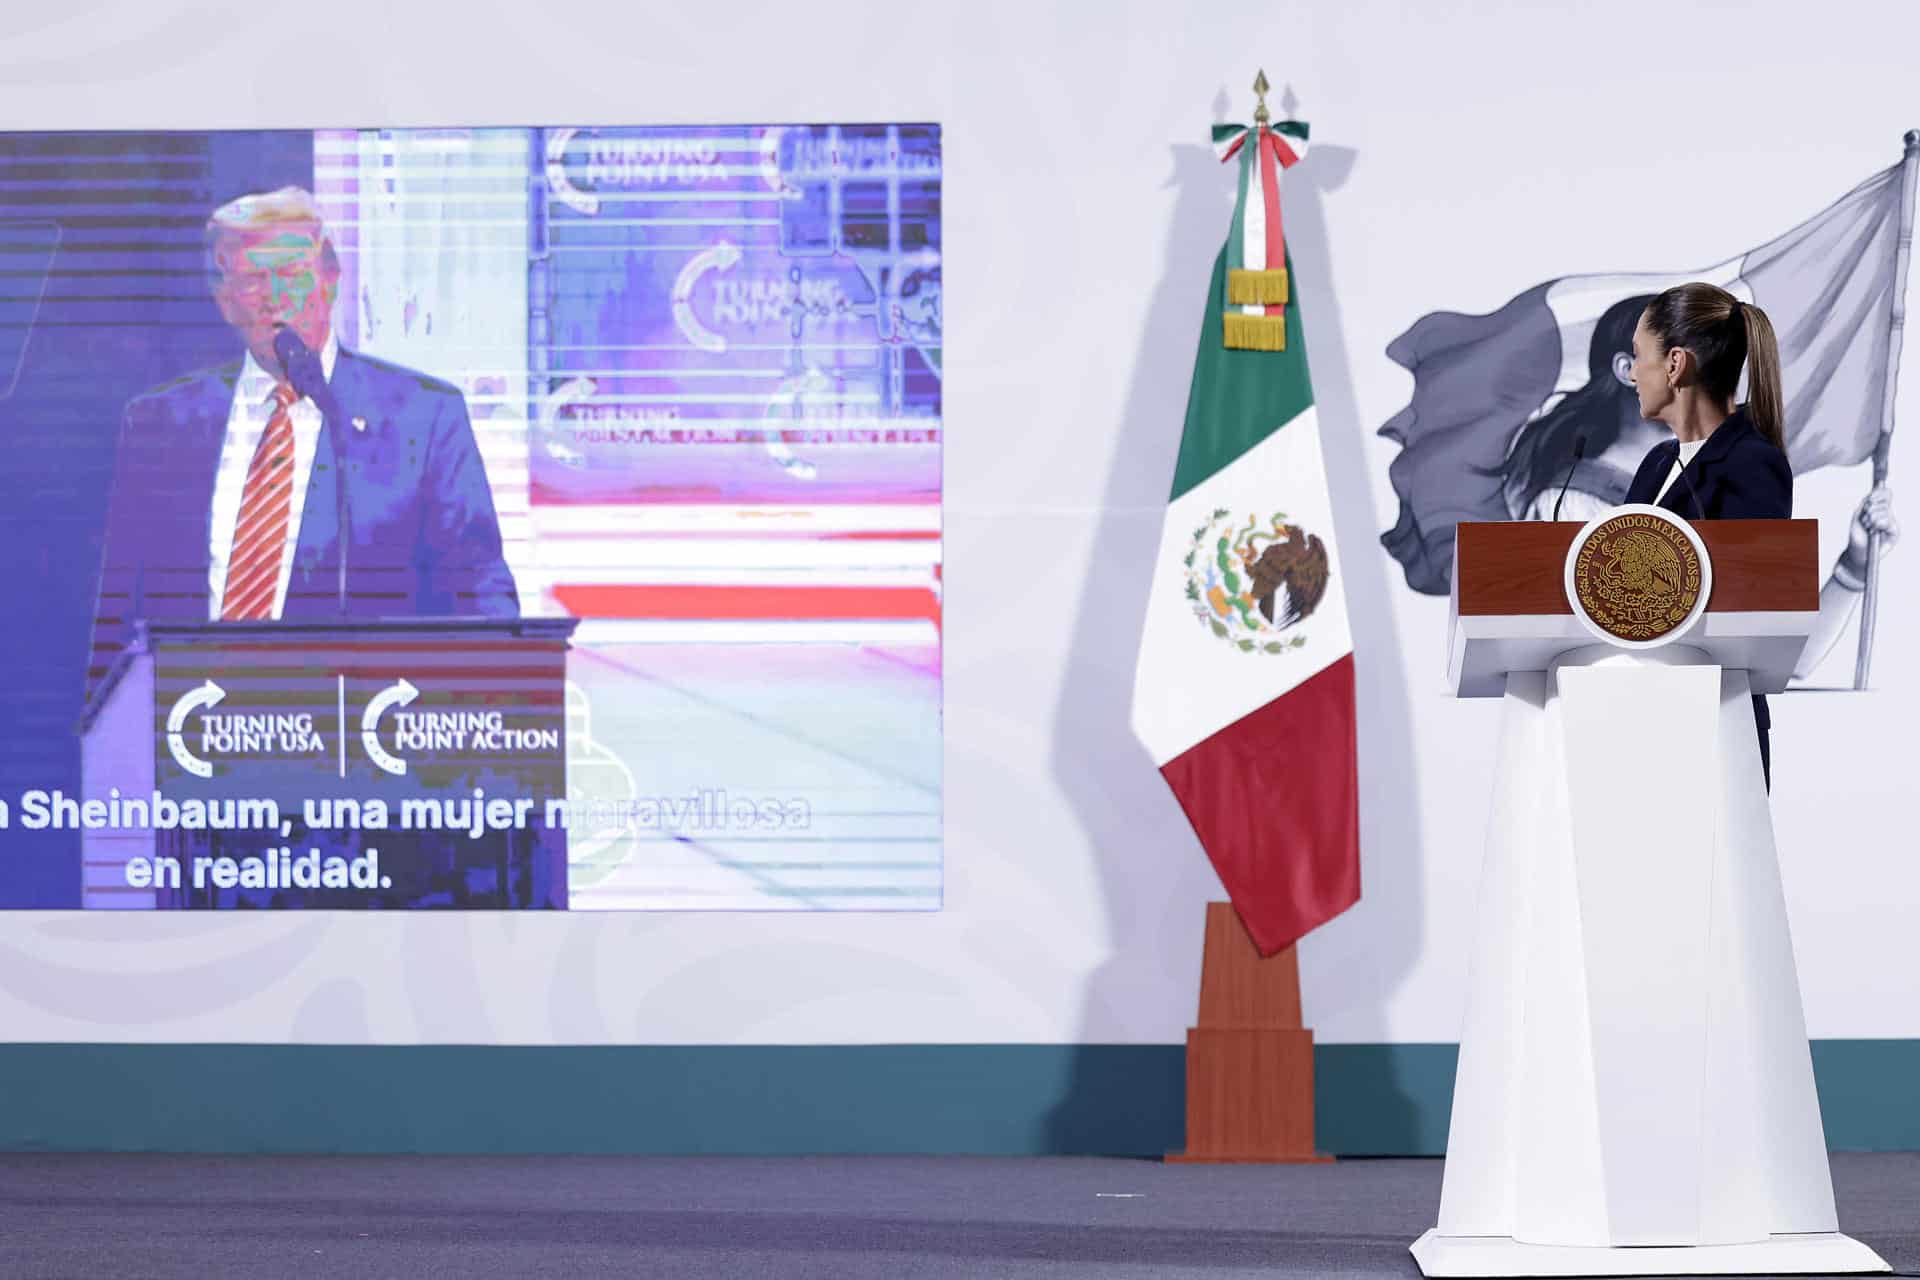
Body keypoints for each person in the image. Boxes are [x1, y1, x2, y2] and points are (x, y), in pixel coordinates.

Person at [86, 186, 518, 700]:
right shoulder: (161, 423)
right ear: (224, 302)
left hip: (359, 744)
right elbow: (117, 620)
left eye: (291, 274)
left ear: (331, 281)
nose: (275, 297)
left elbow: (480, 599)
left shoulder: (423, 418)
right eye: (251, 280)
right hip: (191, 734)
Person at [1620, 283, 1788, 787]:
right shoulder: (1656, 464)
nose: (1631, 372)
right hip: (1641, 716)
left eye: (1637, 355)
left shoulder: (1752, 461)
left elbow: (1747, 599)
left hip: (1714, 722)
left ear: (1674, 365)